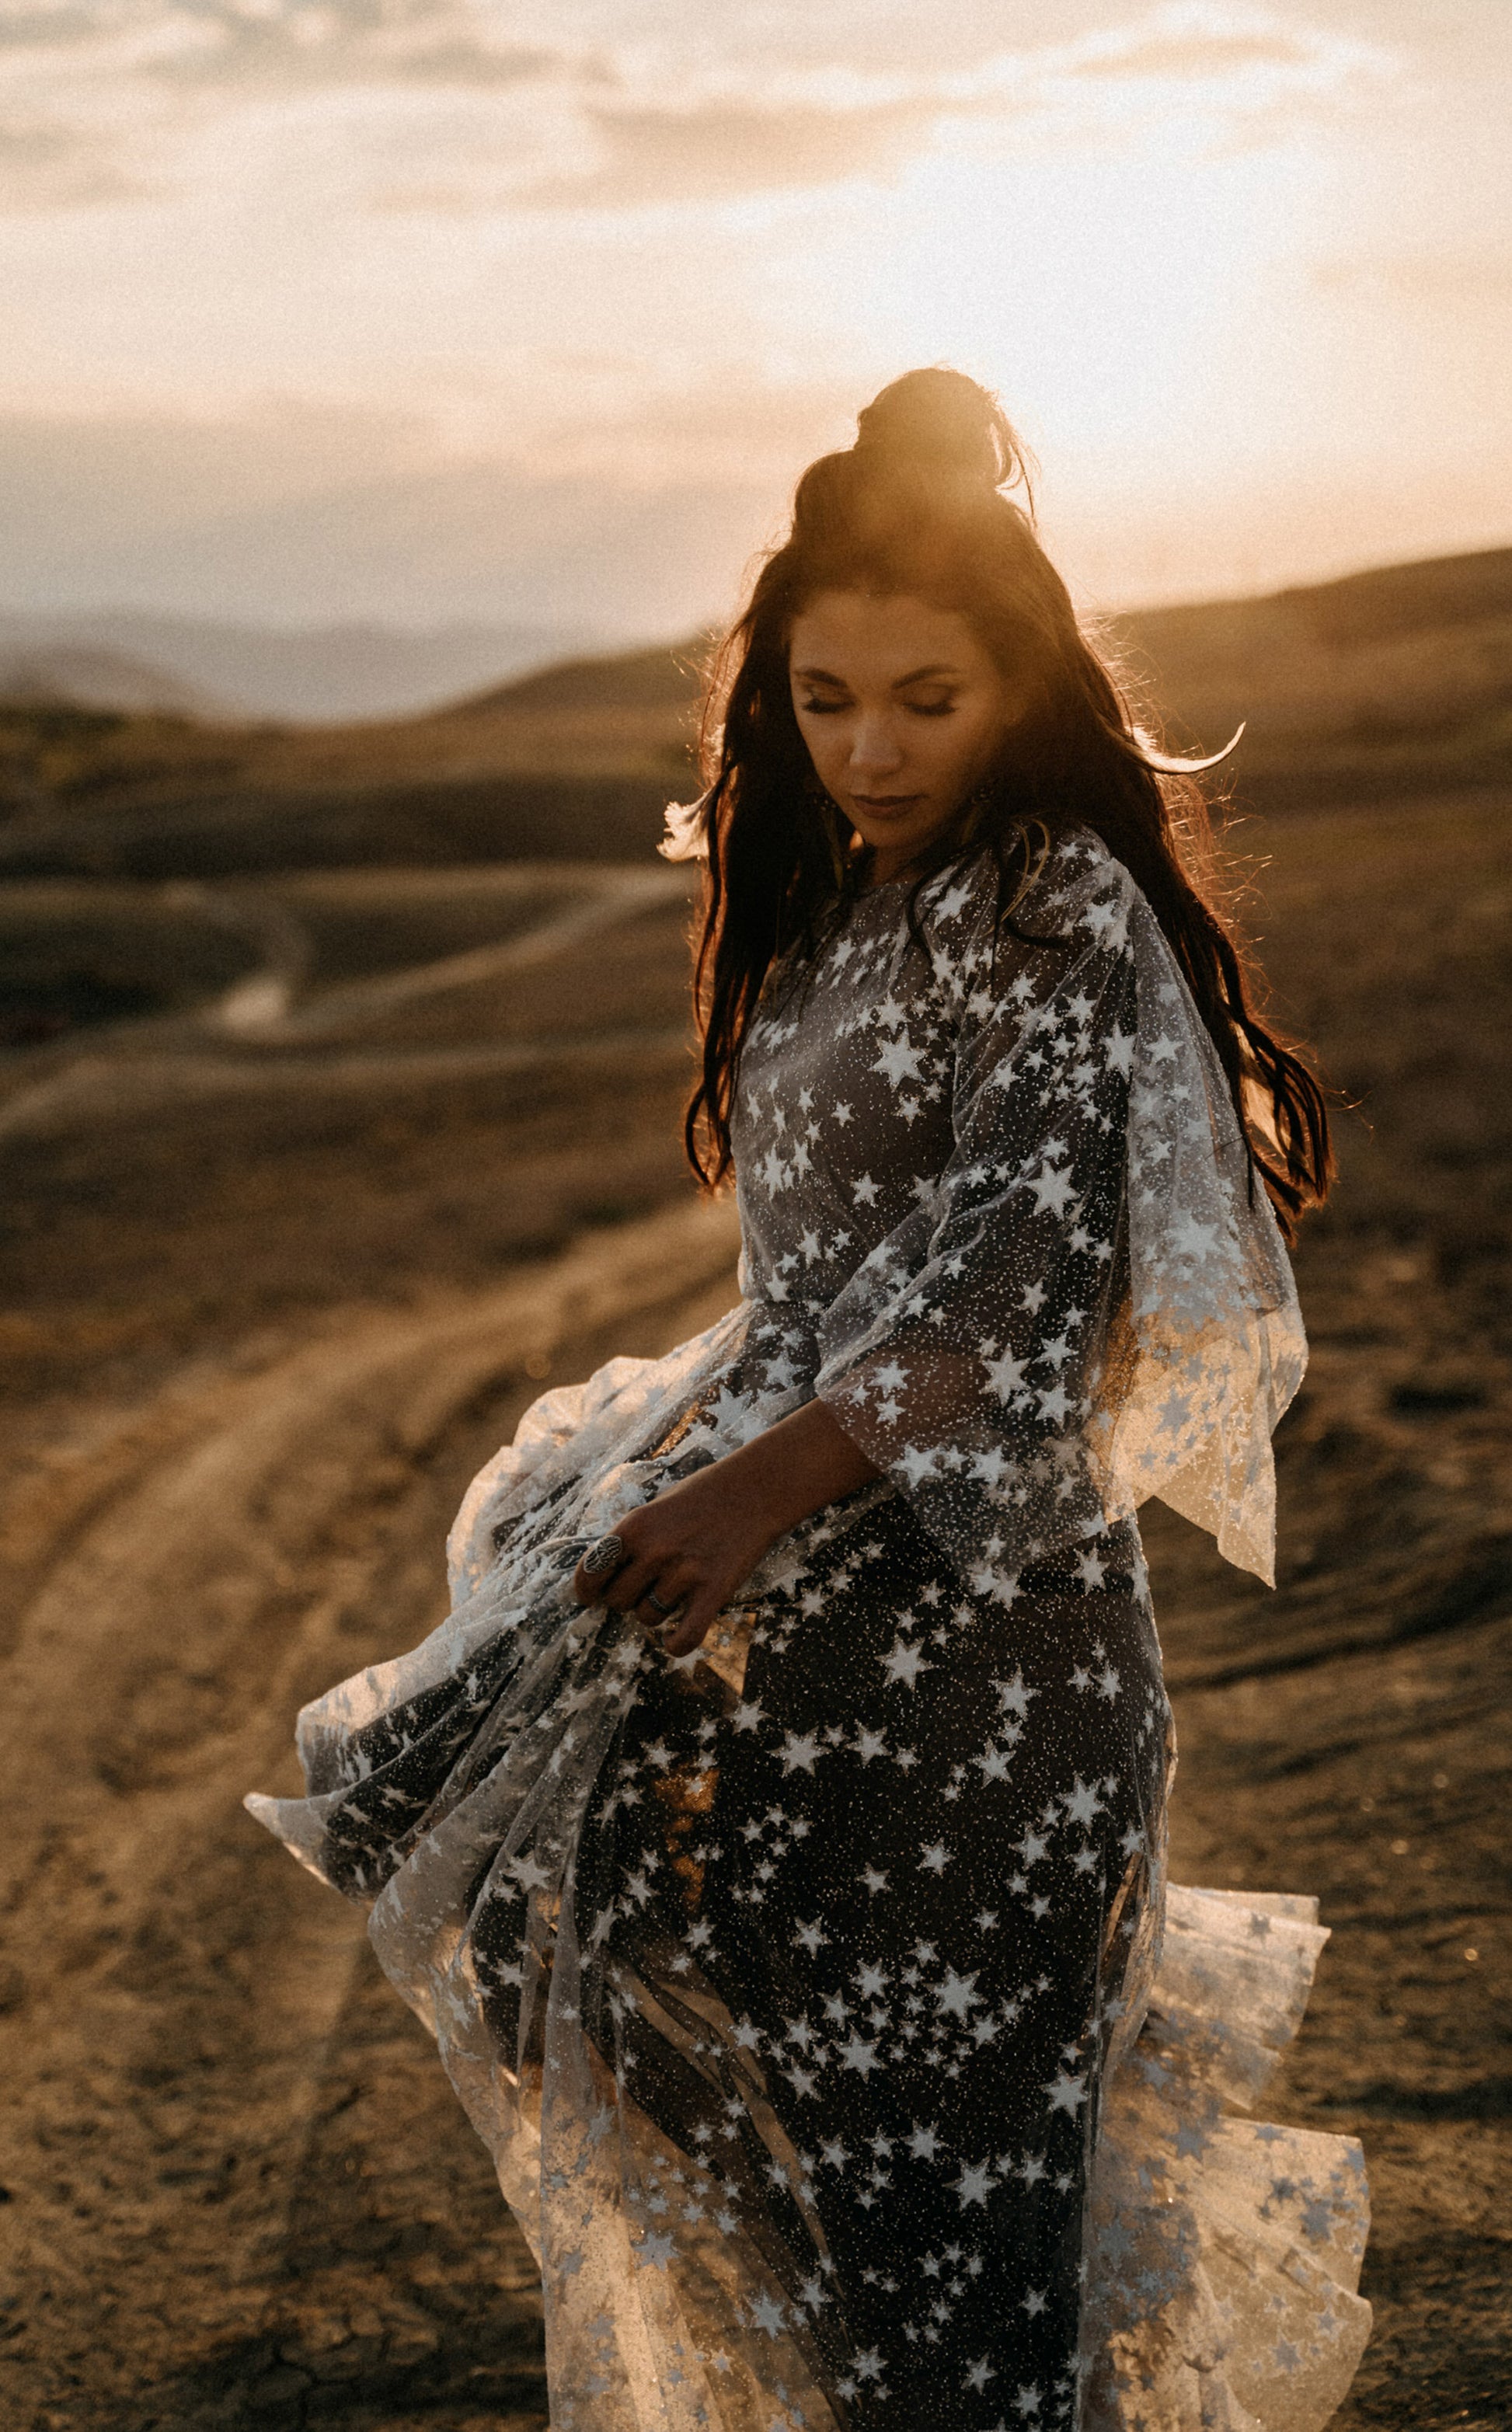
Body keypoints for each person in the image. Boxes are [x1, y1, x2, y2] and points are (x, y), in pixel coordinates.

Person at [249, 371, 1374, 2431]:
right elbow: (823, 1284)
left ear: (1025, 685)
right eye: (822, 693)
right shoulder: (846, 898)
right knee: (817, 2220)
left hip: (975, 1689)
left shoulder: (1040, 896)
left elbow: (1016, 1293)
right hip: (799, 1673)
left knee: (966, 2277)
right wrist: (654, 1490)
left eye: (924, 697)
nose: (865, 748)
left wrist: (735, 1492)